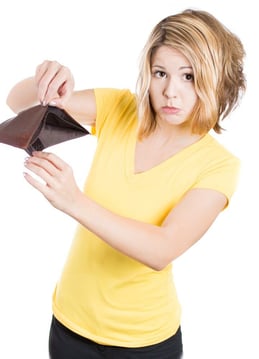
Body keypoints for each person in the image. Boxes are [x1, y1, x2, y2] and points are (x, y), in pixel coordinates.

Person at [6, 8, 246, 359]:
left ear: (214, 80)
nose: (170, 92)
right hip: (69, 325)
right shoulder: (120, 109)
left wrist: (73, 200)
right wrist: (47, 79)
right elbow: (18, 102)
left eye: (189, 77)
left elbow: (161, 250)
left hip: (145, 344)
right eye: (160, 73)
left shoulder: (219, 165)